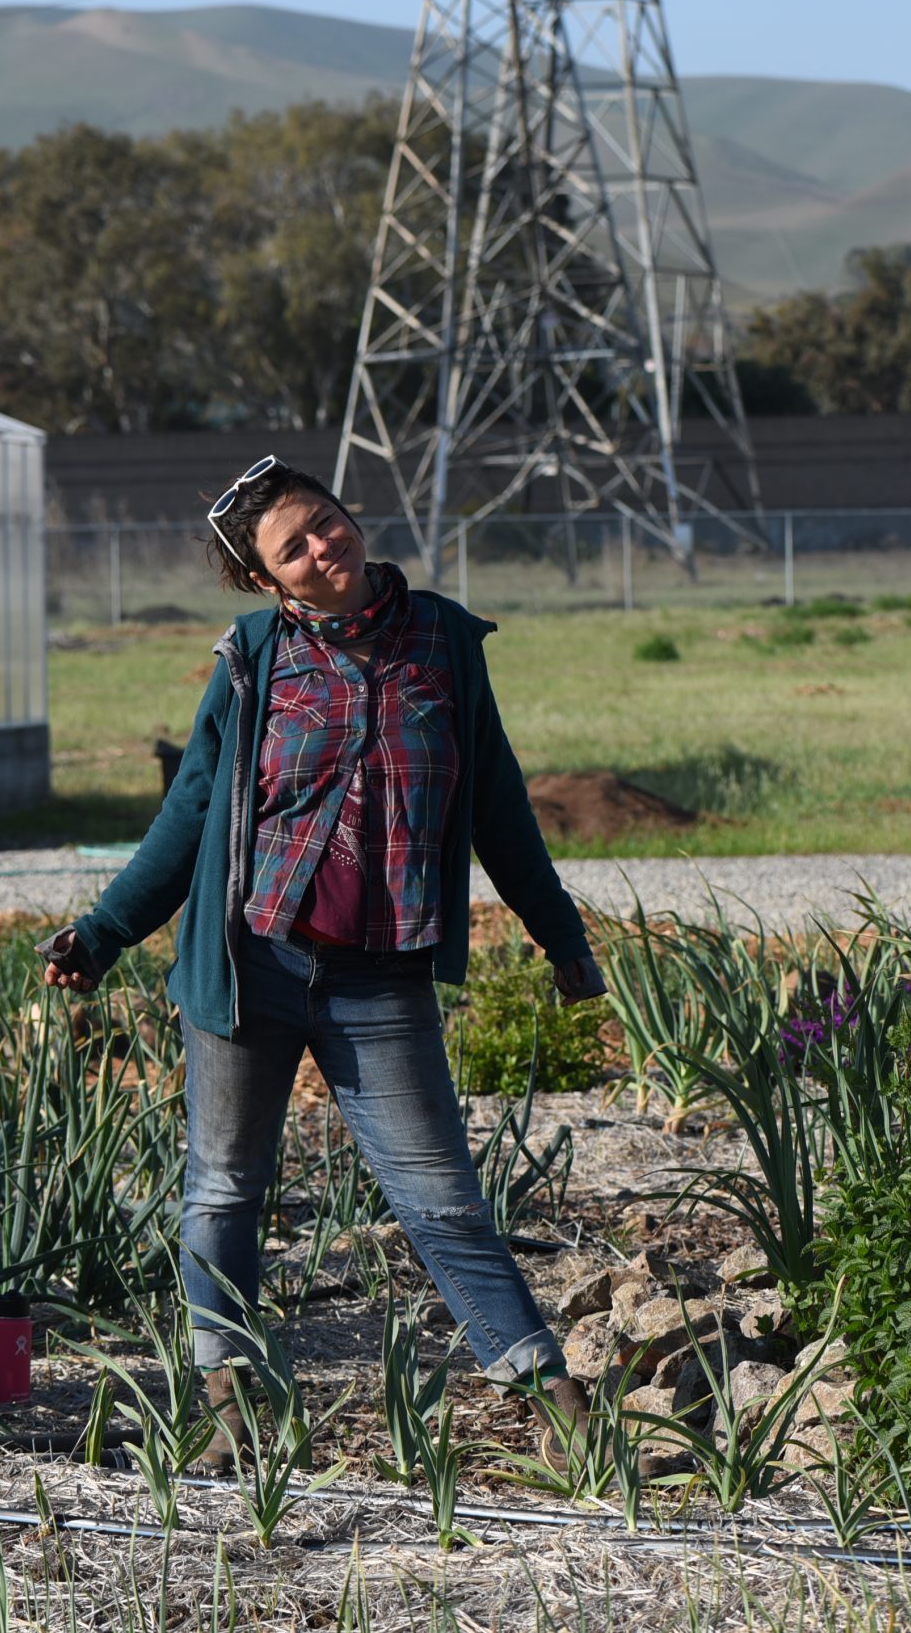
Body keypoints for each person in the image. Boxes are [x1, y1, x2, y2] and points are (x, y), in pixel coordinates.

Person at [40, 455, 604, 1469]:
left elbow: (497, 806)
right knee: (222, 1190)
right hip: (247, 963)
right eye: (291, 547)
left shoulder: (441, 641)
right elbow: (191, 810)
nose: (321, 547)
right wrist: (104, 930)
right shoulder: (253, 657)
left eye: (326, 522)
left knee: (439, 1199)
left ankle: (556, 1405)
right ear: (265, 578)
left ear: (350, 515)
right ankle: (227, 1409)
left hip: (379, 976)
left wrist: (559, 934)